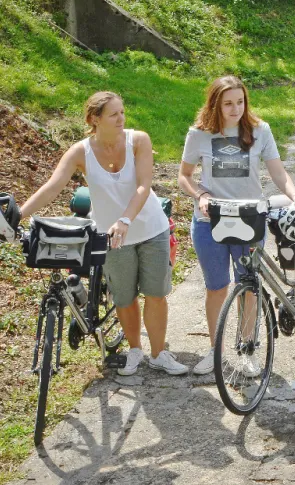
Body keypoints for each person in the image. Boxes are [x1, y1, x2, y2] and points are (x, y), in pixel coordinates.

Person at [20, 92, 188, 376]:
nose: (121, 119)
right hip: (111, 236)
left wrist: (125, 219)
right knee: (124, 297)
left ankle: (159, 354)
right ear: (95, 119)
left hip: (150, 228)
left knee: (156, 294)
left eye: (122, 112)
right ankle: (135, 350)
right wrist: (19, 214)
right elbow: (52, 186)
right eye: (114, 114)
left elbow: (143, 186)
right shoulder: (80, 152)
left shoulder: (139, 141)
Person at [178, 75, 295, 376]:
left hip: (249, 218)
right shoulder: (199, 134)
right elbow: (184, 175)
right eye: (228, 103)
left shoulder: (259, 130)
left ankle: (247, 347)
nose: (235, 108)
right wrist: (200, 194)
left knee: (248, 284)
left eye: (240, 101)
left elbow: (278, 172)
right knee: (216, 288)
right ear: (215, 104)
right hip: (210, 220)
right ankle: (216, 352)